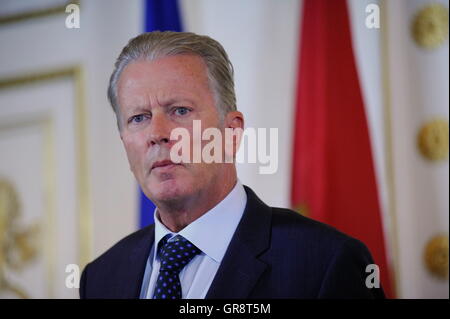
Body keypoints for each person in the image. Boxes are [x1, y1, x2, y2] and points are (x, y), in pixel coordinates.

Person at [79, 31, 385, 299]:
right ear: (124, 142)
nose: (158, 134)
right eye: (139, 118)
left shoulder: (326, 263)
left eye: (180, 110)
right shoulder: (101, 278)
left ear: (231, 132)